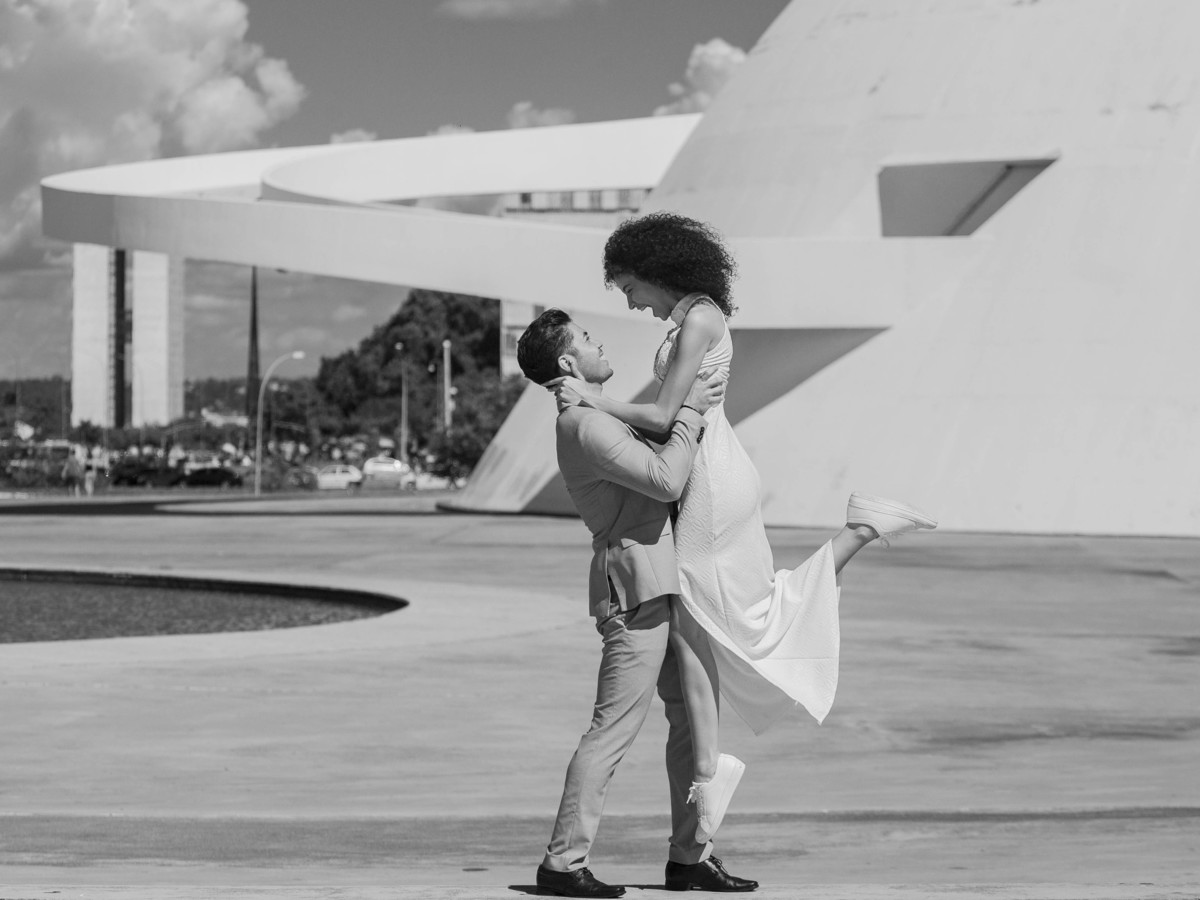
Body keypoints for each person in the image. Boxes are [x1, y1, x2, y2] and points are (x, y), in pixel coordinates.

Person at [549, 212, 938, 833]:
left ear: (655, 270)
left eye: (630, 289)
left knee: (713, 625)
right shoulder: (691, 319)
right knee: (704, 629)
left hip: (706, 475)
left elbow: (663, 413)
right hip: (706, 462)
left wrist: (591, 400)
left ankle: (709, 775)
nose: (632, 303)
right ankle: (706, 784)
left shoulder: (700, 319)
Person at [517, 309, 759, 897]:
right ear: (569, 364)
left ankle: (690, 857)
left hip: (661, 582)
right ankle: (561, 865)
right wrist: (693, 412)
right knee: (612, 730)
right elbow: (665, 480)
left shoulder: (600, 416)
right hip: (635, 591)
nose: (602, 345)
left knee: (689, 724)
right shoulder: (586, 426)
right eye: (588, 340)